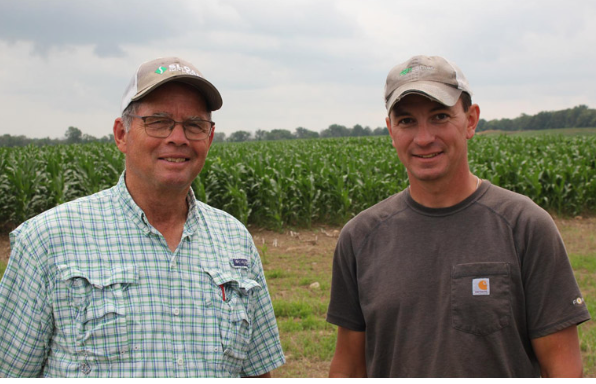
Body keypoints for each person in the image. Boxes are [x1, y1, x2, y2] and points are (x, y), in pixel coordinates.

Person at [0, 57, 285, 378]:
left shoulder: (234, 239)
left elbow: (256, 371)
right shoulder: (48, 240)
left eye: (194, 125)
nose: (178, 137)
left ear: (210, 137)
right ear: (122, 134)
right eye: (159, 121)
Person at [326, 55, 590, 378]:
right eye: (407, 121)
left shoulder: (526, 227)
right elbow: (348, 368)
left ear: (471, 120)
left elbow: (564, 369)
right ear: (390, 130)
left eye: (439, 117)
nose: (423, 138)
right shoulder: (359, 238)